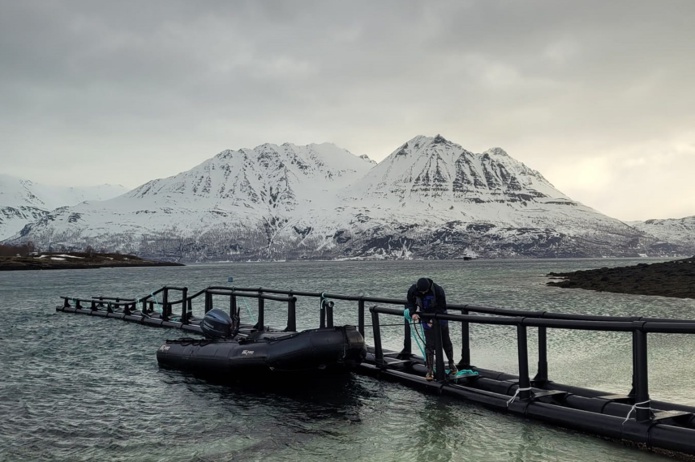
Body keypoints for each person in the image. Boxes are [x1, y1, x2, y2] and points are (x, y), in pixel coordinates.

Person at [407, 277, 457, 381]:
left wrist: (433, 319)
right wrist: (413, 313)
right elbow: (410, 303)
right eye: (421, 291)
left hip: (440, 317)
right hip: (425, 318)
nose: (423, 293)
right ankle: (429, 370)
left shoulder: (438, 290)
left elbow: (442, 306)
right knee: (429, 345)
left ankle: (451, 364)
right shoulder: (412, 290)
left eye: (425, 291)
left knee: (446, 342)